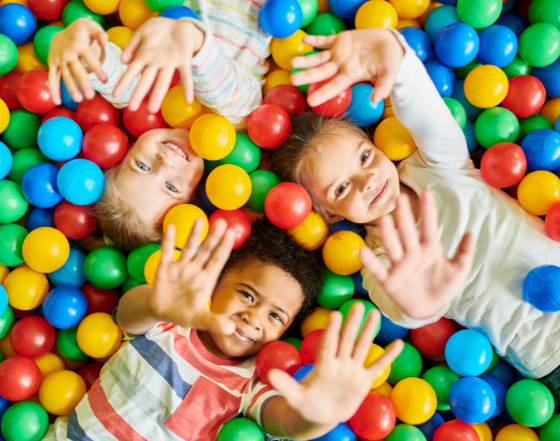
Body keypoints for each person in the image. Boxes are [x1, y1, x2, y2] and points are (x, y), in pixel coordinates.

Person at [270, 27, 560, 394]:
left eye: (364, 158)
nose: (367, 182)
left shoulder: (438, 166)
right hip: (548, 355)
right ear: (329, 214)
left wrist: (397, 57)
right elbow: (403, 307)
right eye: (341, 188)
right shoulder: (377, 259)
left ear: (376, 145)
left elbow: (424, 110)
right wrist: (421, 302)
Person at [42, 218, 403, 441]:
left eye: (276, 316)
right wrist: (157, 303)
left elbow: (282, 421)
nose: (255, 317)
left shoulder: (249, 385)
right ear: (214, 284)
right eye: (247, 294)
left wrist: (315, 416)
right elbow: (129, 317)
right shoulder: (170, 324)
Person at [47, 1, 270, 249]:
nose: (165, 163)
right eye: (171, 186)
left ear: (125, 150)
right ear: (195, 195)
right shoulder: (234, 124)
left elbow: (117, 80)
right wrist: (194, 44)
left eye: (141, 165)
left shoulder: (150, 100)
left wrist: (82, 54)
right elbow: (230, 92)